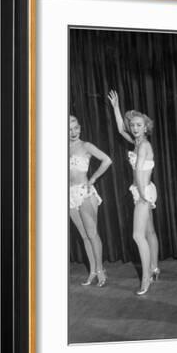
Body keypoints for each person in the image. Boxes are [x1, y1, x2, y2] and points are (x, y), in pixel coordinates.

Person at [108, 90, 160, 296]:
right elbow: (121, 130)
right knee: (150, 232)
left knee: (137, 235)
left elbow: (139, 172)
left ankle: (146, 277)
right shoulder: (137, 142)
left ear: (146, 127)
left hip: (143, 191)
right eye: (133, 125)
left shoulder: (144, 145)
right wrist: (115, 107)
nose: (135, 128)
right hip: (144, 189)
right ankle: (155, 267)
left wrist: (141, 195)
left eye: (139, 125)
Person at [69, 115, 112, 287]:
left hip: (85, 193)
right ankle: (93, 271)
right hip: (69, 195)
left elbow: (107, 160)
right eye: (69, 129)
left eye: (75, 127)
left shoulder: (86, 146)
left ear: (80, 127)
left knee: (92, 234)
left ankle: (101, 270)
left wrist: (93, 178)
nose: (73, 132)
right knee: (84, 236)